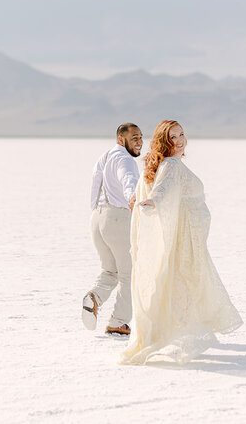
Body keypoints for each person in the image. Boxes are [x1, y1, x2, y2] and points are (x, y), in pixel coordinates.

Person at [119, 120, 242, 364]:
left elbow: (150, 186)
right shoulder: (172, 165)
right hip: (183, 239)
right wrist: (152, 201)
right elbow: (162, 189)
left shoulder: (162, 165)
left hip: (187, 235)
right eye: (173, 136)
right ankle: (180, 331)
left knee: (183, 281)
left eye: (182, 134)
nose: (180, 140)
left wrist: (138, 198)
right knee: (188, 282)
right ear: (164, 141)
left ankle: (170, 327)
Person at [82, 122, 144, 336]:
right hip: (117, 219)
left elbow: (94, 187)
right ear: (121, 139)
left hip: (98, 219)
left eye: (141, 137)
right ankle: (118, 322)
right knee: (130, 274)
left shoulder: (105, 156)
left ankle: (95, 297)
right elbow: (128, 180)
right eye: (134, 137)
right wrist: (133, 198)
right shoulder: (123, 159)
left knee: (111, 270)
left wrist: (97, 214)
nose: (139, 142)